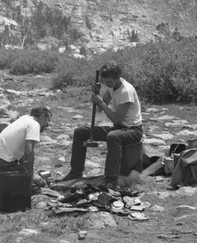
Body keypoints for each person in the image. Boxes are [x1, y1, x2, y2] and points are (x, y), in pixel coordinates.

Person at [60, 62, 143, 190]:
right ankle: (75, 173)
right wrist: (97, 94)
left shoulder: (126, 91)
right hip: (119, 127)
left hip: (133, 130)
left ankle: (111, 180)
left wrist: (101, 102)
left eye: (109, 82)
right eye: (104, 82)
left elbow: (116, 117)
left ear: (117, 78)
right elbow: (100, 108)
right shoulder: (111, 86)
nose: (107, 84)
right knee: (80, 132)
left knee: (113, 137)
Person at [0, 106, 52, 199]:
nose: (47, 125)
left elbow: (22, 153)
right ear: (42, 116)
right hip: (3, 163)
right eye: (48, 120)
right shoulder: (34, 124)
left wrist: (26, 171)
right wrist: (31, 176)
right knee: (34, 190)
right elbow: (28, 153)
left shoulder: (25, 118)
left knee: (30, 180)